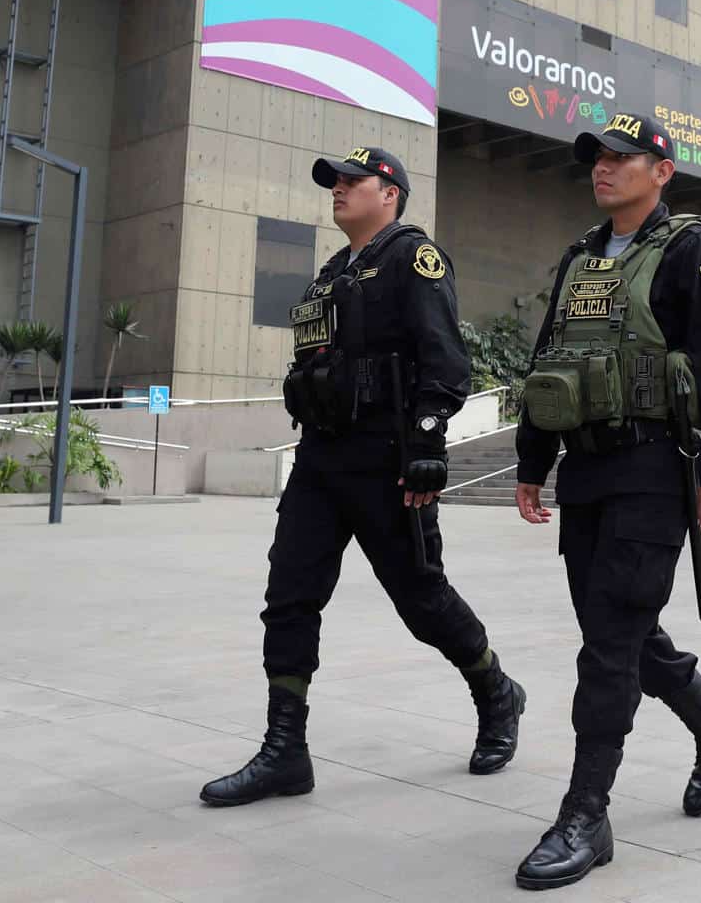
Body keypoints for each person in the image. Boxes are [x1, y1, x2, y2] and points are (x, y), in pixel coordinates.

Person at [200, 146, 527, 807]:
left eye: (353, 180)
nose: (339, 189)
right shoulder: (330, 274)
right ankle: (284, 751)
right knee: (289, 597)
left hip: (387, 459)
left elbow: (446, 360)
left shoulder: (414, 258)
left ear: (391, 192)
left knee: (421, 599)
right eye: (335, 182)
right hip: (321, 459)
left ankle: (496, 690)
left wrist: (429, 444)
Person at [510, 111, 701, 890]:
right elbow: (551, 358)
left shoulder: (691, 249)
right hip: (587, 471)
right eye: (598, 158)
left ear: (662, 171)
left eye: (624, 158)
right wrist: (532, 459)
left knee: (609, 644)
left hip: (656, 469)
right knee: (615, 626)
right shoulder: (582, 256)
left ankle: (586, 812)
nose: (605, 168)